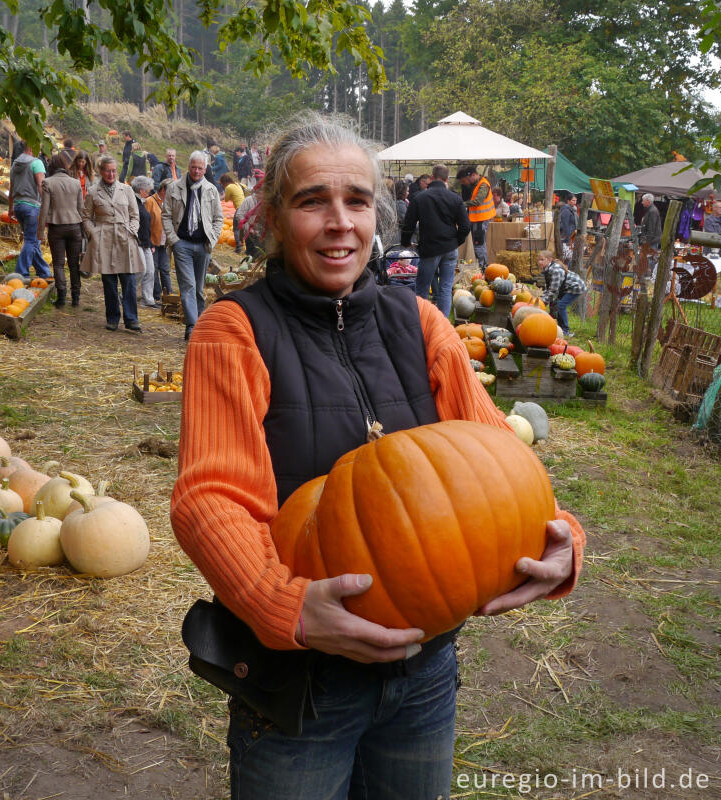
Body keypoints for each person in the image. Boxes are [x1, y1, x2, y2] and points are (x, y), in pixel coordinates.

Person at [171, 114, 585, 800]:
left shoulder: (421, 323)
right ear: (275, 216)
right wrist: (288, 607)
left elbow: (498, 460)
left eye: (357, 200)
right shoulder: (233, 331)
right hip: (301, 688)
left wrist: (566, 537)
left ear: (377, 215)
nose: (340, 222)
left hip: (424, 677)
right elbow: (210, 498)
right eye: (313, 201)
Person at [162, 150, 224, 341]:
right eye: (194, 167)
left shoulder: (211, 190)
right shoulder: (175, 188)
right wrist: (174, 240)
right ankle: (191, 326)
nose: (196, 171)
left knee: (198, 288)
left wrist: (212, 238)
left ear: (205, 169)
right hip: (183, 245)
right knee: (187, 285)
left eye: (200, 168)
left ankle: (199, 325)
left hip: (203, 246)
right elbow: (166, 215)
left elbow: (218, 218)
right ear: (188, 167)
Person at [82, 155, 144, 333]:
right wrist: (94, 233)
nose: (111, 174)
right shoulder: (93, 192)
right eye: (107, 171)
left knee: (129, 280)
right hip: (104, 239)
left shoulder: (126, 190)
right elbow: (86, 217)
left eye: (114, 171)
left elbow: (135, 214)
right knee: (109, 281)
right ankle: (112, 318)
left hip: (125, 238)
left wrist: (132, 230)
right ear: (100, 171)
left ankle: (131, 319)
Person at [400, 163, 470, 316]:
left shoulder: (420, 197)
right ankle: (443, 324)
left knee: (422, 289)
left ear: (432, 177)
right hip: (450, 248)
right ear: (446, 178)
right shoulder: (455, 198)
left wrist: (405, 242)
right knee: (445, 288)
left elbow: (408, 224)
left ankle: (421, 322)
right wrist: (455, 242)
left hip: (430, 248)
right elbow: (465, 226)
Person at [37, 153, 85, 308]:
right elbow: (81, 208)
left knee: (58, 264)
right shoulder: (76, 183)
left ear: (51, 166)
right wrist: (84, 230)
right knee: (73, 263)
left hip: (57, 227)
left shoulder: (48, 183)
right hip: (75, 227)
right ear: (65, 166)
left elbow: (44, 209)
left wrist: (40, 232)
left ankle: (62, 297)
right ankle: (76, 297)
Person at [8, 141, 51, 279]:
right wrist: (46, 206)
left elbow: (11, 187)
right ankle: (21, 273)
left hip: (19, 206)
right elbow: (41, 186)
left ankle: (44, 272)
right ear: (32, 147)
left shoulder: (15, 163)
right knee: (31, 240)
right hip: (32, 206)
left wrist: (11, 207)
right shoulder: (37, 163)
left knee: (34, 240)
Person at [538, 249, 587, 336]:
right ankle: (557, 327)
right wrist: (541, 299)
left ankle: (565, 330)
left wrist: (542, 302)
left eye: (542, 259)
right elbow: (549, 288)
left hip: (575, 287)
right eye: (539, 260)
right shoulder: (547, 270)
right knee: (555, 304)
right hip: (566, 287)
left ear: (549, 260)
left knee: (561, 305)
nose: (539, 262)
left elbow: (553, 290)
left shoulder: (555, 270)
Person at [457, 165, 495, 268]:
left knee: (479, 245)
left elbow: (477, 201)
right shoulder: (476, 184)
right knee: (479, 244)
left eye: (467, 180)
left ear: (473, 175)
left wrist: (461, 204)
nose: (466, 183)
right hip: (477, 219)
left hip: (481, 219)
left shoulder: (483, 185)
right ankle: (482, 266)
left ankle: (483, 267)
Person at [132, 176, 158, 308]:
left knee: (150, 271)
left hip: (146, 242)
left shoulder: (141, 202)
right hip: (138, 242)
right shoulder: (133, 202)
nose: (149, 193)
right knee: (141, 271)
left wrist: (151, 243)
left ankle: (148, 300)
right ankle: (127, 293)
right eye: (148, 190)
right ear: (141, 190)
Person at [148, 179, 172, 301]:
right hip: (153, 241)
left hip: (164, 242)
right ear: (163, 190)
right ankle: (157, 294)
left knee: (165, 269)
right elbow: (145, 222)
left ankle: (168, 295)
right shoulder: (150, 201)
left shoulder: (169, 203)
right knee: (154, 268)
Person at [558, 192, 578, 265]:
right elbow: (565, 225)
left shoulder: (573, 210)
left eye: (575, 200)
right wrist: (568, 238)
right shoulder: (566, 210)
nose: (575, 202)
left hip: (573, 234)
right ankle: (566, 270)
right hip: (569, 235)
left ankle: (568, 270)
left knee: (570, 255)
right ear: (568, 201)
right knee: (567, 256)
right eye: (573, 200)